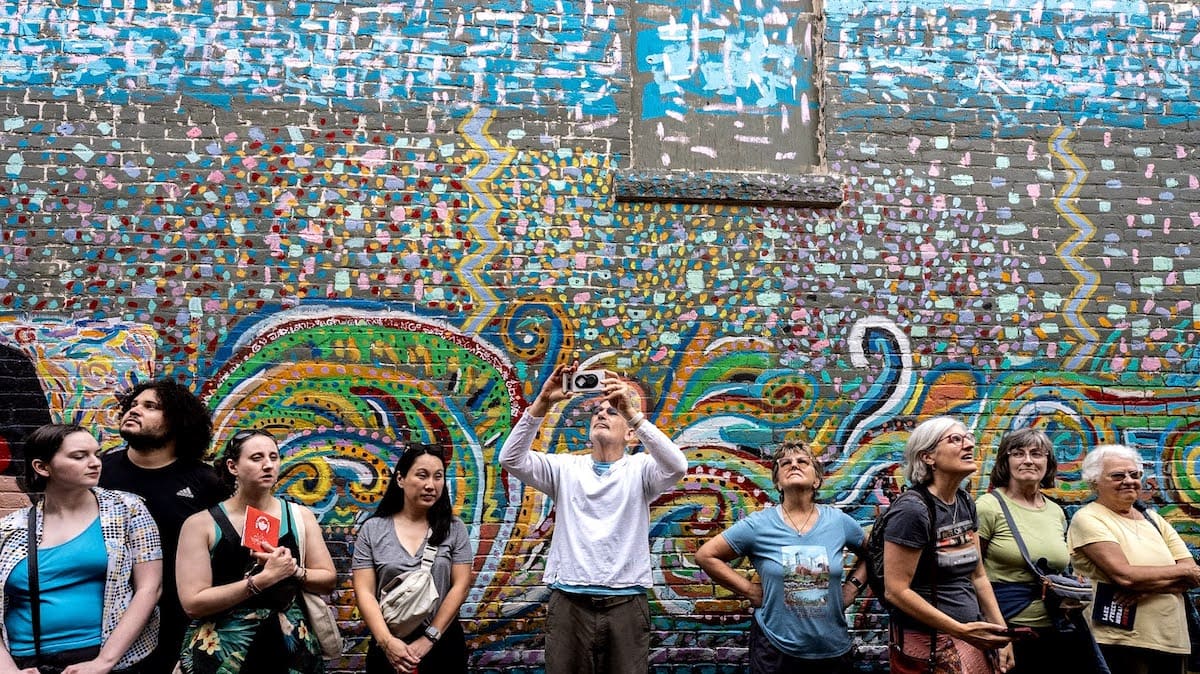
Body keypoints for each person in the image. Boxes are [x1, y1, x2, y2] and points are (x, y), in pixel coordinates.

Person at [498, 363, 688, 674]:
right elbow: (510, 459)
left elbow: (677, 466)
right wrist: (543, 402)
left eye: (612, 412)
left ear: (629, 434)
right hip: (570, 603)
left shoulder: (641, 470)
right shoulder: (565, 469)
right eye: (597, 411)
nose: (601, 413)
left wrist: (632, 413)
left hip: (626, 604)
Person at [0, 423, 162, 673]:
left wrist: (104, 662)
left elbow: (150, 588)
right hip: (25, 660)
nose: (95, 462)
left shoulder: (127, 509)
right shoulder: (10, 528)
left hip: (103, 656)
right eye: (79, 456)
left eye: (96, 454)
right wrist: (7, 669)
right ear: (42, 467)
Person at [694, 441, 867, 673]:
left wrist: (854, 587)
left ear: (816, 480)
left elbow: (875, 554)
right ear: (777, 482)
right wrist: (749, 590)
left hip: (832, 649)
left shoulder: (838, 522)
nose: (793, 465)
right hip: (775, 650)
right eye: (785, 463)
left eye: (802, 461)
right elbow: (706, 556)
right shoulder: (759, 524)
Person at [175, 429, 337, 674]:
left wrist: (294, 571)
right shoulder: (201, 524)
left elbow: (327, 579)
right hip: (223, 650)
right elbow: (193, 603)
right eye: (256, 458)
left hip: (289, 646)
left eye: (273, 457)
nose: (268, 465)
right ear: (233, 466)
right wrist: (263, 579)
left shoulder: (299, 517)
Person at [100, 379, 225, 674]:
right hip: (107, 620)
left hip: (179, 623)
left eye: (150, 406)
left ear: (177, 422)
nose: (134, 411)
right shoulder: (100, 472)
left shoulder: (204, 482)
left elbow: (225, 557)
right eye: (133, 405)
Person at [883, 416, 1011, 674]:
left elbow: (978, 575)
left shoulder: (964, 502)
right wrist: (960, 630)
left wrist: (1002, 634)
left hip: (969, 636)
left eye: (968, 439)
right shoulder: (912, 510)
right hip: (928, 645)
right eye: (955, 439)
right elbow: (895, 590)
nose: (968, 445)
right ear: (928, 457)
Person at [1067, 444, 1200, 674]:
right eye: (1118, 475)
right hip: (1119, 640)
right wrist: (1179, 576)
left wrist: (1146, 588)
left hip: (1171, 639)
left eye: (1134, 474)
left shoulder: (1153, 520)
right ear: (1094, 481)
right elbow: (1125, 576)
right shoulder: (1088, 518)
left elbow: (1193, 573)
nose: (1128, 481)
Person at [977, 428, 1101, 673]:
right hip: (1010, 631)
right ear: (1005, 461)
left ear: (1048, 462)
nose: (1028, 460)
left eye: (1036, 454)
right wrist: (1000, 636)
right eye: (1018, 454)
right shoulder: (987, 507)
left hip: (1056, 632)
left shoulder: (1055, 511)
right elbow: (972, 575)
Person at [351, 445, 473, 674]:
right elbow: (364, 592)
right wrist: (387, 642)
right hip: (389, 643)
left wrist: (429, 638)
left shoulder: (454, 529)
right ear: (400, 478)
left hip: (442, 644)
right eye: (422, 475)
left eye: (438, 477)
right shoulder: (373, 530)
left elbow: (461, 586)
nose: (431, 485)